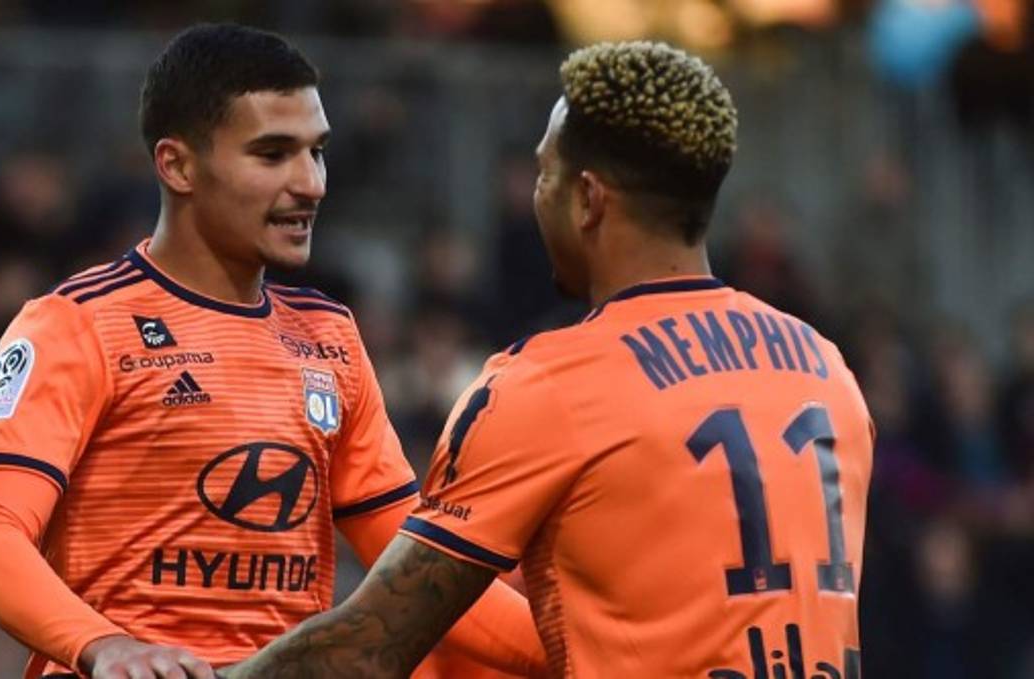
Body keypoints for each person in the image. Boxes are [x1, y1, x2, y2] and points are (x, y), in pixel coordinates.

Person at [222, 40, 874, 679]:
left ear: (588, 199)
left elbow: (369, 646)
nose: (536, 197)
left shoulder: (548, 382)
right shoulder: (828, 370)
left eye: (544, 174)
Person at [0, 23, 543, 679]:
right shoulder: (77, 326)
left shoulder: (329, 335)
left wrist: (581, 659)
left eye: (316, 152)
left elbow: (424, 577)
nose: (310, 183)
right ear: (177, 165)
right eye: (272, 154)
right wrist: (105, 644)